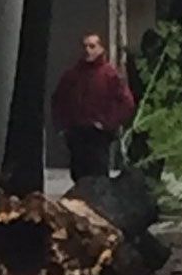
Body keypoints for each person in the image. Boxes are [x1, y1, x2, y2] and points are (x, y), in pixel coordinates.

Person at [52, 33, 135, 182]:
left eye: (92, 46)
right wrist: (63, 126)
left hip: (99, 135)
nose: (88, 50)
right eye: (85, 46)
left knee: (98, 174)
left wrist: (107, 123)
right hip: (76, 132)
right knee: (78, 173)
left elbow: (126, 103)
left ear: (101, 48)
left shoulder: (110, 75)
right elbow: (59, 100)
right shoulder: (72, 75)